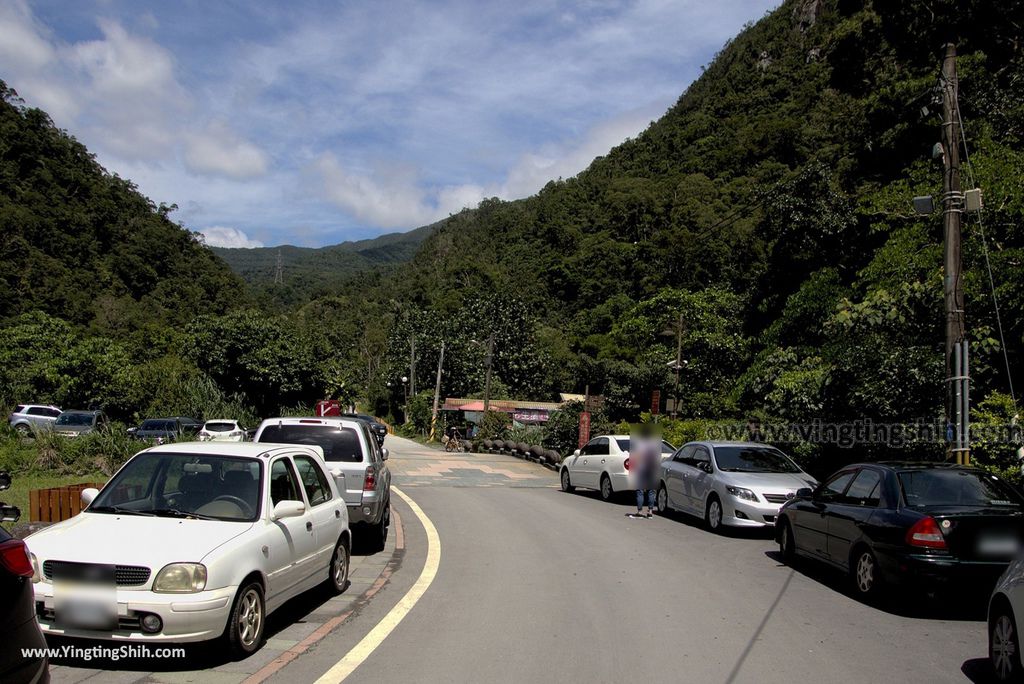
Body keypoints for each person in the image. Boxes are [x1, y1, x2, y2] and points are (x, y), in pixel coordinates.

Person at [632, 426, 660, 518]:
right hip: (651, 468)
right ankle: (650, 511)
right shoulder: (654, 444)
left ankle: (640, 512)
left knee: (640, 490)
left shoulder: (639, 444)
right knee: (651, 491)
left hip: (641, 468)